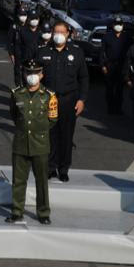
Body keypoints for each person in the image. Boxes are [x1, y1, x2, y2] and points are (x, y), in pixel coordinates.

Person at [7, 60, 58, 224]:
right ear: (24, 74)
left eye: (35, 73)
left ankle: (43, 213)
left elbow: (53, 119)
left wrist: (38, 131)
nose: (32, 76)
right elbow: (15, 115)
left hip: (40, 144)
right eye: (29, 72)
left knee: (42, 181)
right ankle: (17, 211)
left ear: (42, 75)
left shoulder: (49, 95)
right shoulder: (16, 93)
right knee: (18, 180)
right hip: (21, 143)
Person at [37, 21, 87, 181]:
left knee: (66, 136)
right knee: (50, 135)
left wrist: (81, 100)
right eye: (56, 32)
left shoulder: (76, 53)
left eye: (62, 32)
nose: (59, 35)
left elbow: (84, 78)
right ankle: (50, 167)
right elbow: (34, 76)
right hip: (48, 100)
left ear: (68, 34)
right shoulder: (43, 52)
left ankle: (63, 169)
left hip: (69, 100)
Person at [101, 19, 130, 115]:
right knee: (109, 88)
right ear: (113, 25)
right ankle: (110, 108)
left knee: (120, 89)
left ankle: (118, 108)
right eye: (117, 24)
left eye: (120, 24)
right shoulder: (107, 36)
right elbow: (102, 52)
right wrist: (103, 65)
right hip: (110, 65)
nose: (118, 26)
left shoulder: (126, 37)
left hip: (121, 66)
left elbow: (129, 53)